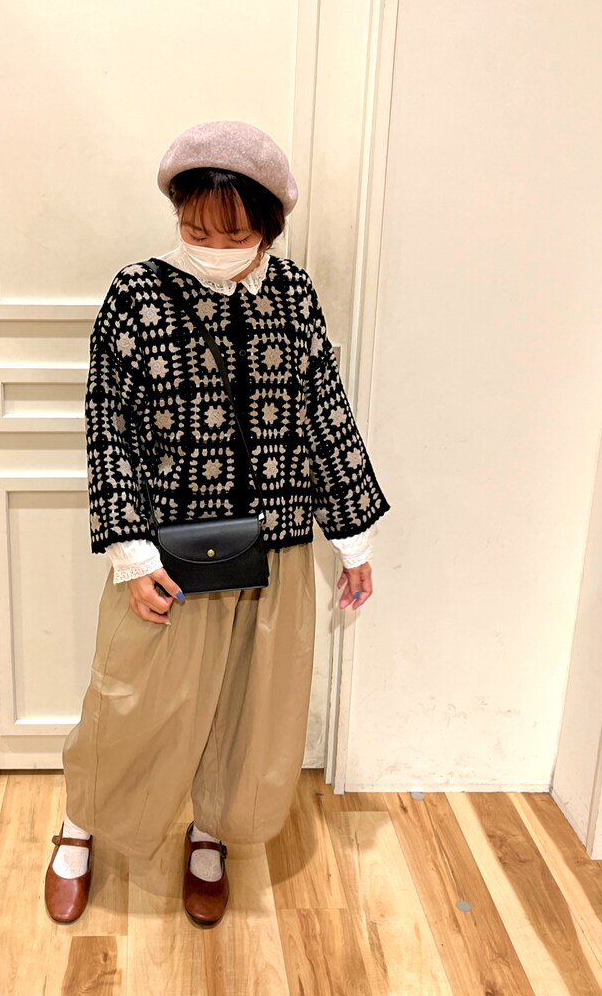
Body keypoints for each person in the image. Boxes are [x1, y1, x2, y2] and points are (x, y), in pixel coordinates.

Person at [44, 120, 390, 926]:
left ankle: (212, 833)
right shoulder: (137, 293)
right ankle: (79, 825)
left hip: (276, 549)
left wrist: (353, 540)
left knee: (250, 710)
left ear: (268, 225)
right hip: (168, 555)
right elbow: (109, 425)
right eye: (196, 228)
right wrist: (132, 554)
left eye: (233, 234)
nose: (213, 247)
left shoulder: (294, 295)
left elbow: (324, 411)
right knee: (131, 703)